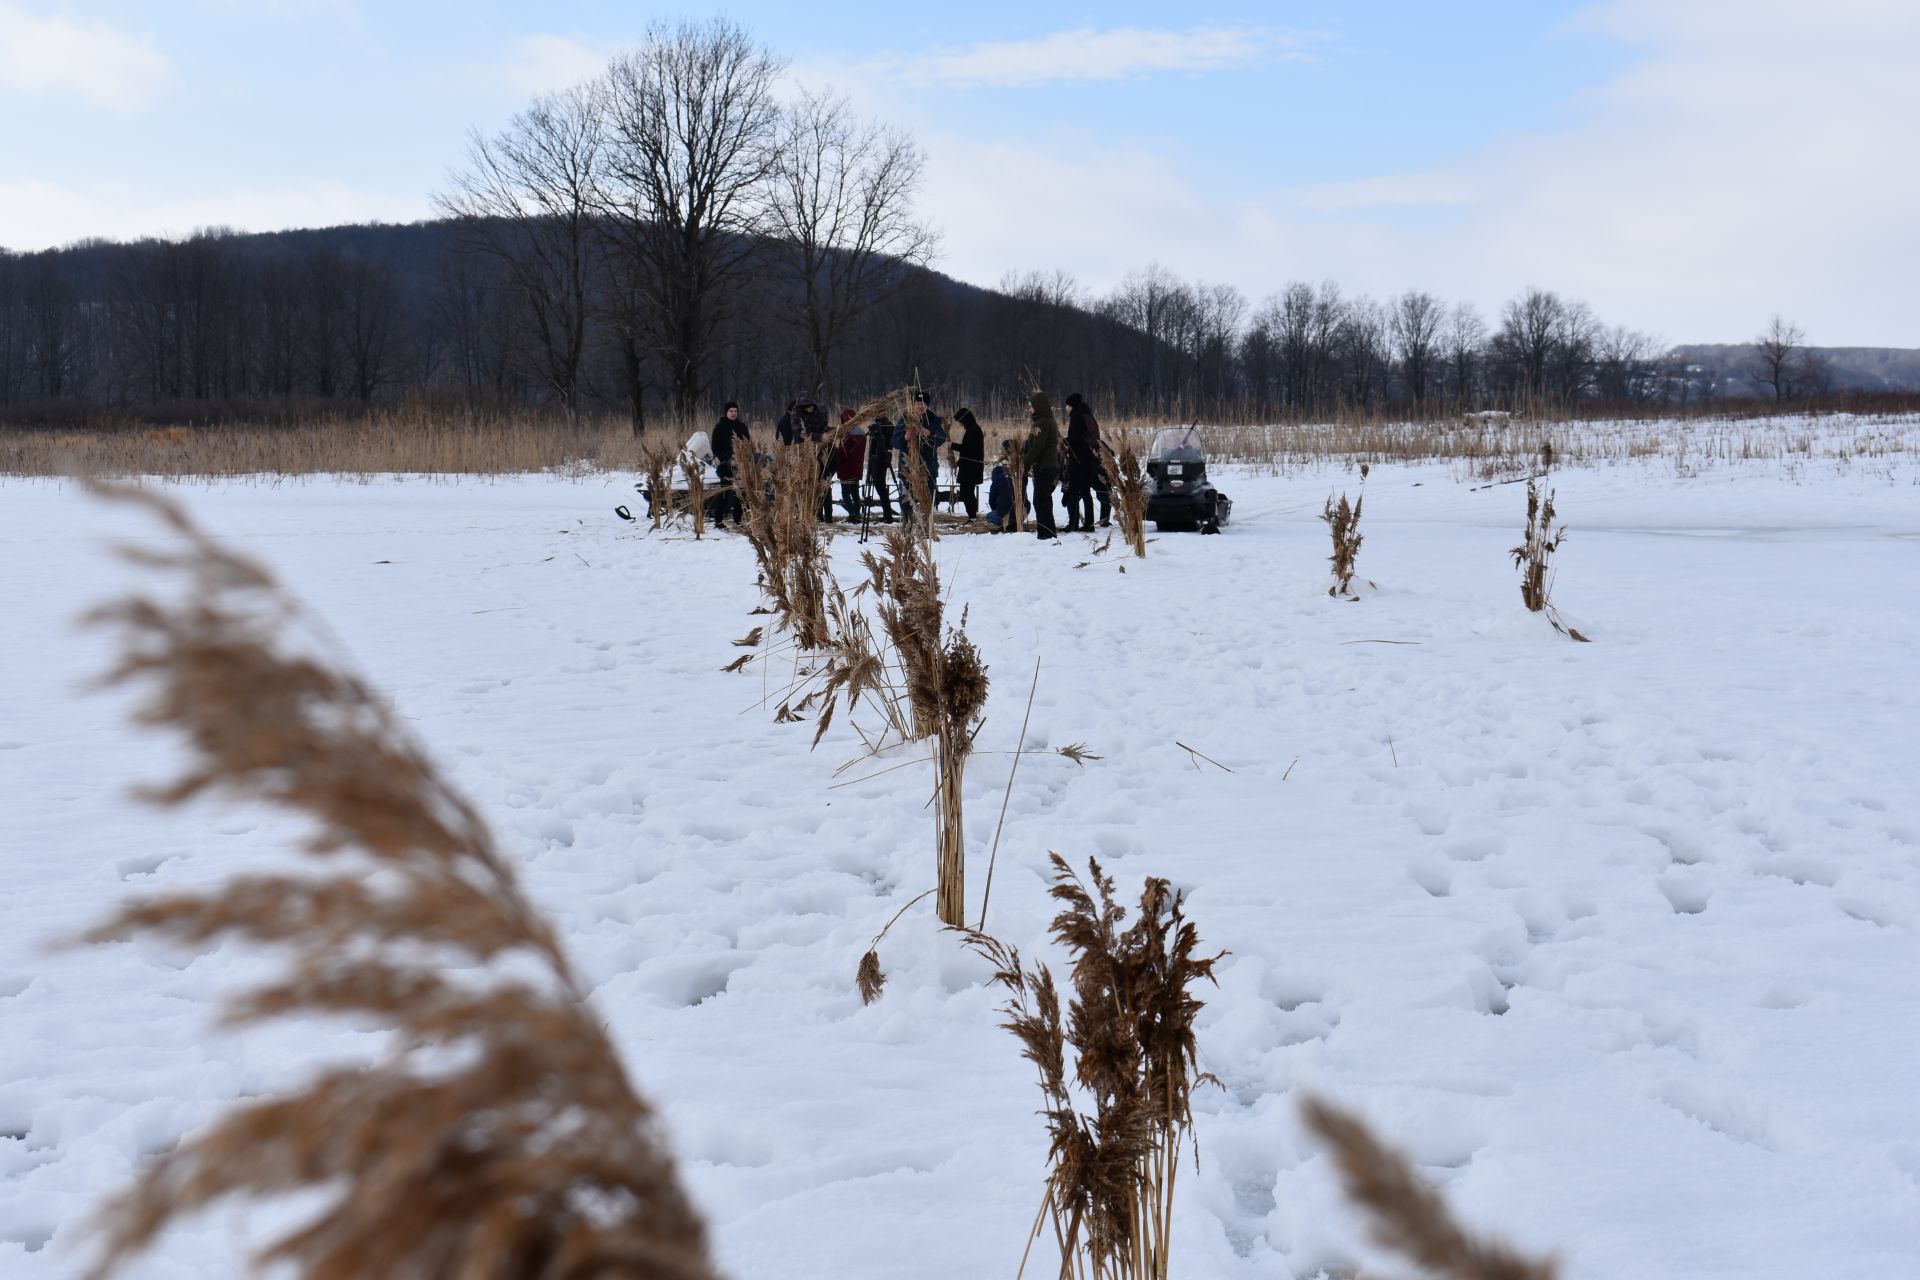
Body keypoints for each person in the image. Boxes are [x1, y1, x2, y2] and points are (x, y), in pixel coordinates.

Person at [892, 392, 947, 528]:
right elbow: (894, 441)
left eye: (923, 404)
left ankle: (928, 525)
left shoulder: (934, 420)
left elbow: (941, 438)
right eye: (918, 403)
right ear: (913, 404)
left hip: (928, 467)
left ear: (927, 406)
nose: (920, 406)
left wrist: (929, 434)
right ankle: (907, 524)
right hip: (908, 468)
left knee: (928, 497)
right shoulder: (905, 419)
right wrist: (905, 437)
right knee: (906, 498)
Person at [1023, 390, 1061, 539]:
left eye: (1031, 406)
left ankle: (1046, 534)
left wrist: (1023, 463)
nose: (1029, 409)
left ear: (1038, 407)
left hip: (1045, 468)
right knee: (1043, 501)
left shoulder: (1043, 422)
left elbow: (1037, 448)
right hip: (1047, 466)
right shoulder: (1046, 421)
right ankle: (1047, 533)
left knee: (1041, 502)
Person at [1062, 391, 1101, 532]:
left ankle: (1073, 524)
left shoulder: (1076, 417)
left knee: (1073, 493)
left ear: (1072, 406)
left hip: (1078, 461)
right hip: (1089, 460)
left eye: (1067, 405)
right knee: (1085, 492)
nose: (1066, 408)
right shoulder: (1088, 415)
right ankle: (1089, 524)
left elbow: (1073, 438)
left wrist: (1063, 441)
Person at [710, 401, 751, 527]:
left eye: (735, 411)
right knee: (725, 492)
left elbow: (747, 442)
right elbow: (715, 446)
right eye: (731, 411)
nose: (733, 413)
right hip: (726, 464)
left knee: (740, 492)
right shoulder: (719, 427)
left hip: (740, 462)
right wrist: (724, 457)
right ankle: (718, 520)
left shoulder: (741, 426)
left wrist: (745, 456)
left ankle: (738, 520)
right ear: (726, 412)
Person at [949, 406, 986, 519]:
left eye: (960, 421)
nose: (960, 424)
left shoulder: (973, 430)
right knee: (967, 492)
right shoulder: (972, 429)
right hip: (969, 467)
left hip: (971, 468)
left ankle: (972, 516)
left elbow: (968, 449)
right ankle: (972, 516)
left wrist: (952, 445)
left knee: (966, 493)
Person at [835, 414, 868, 522]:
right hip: (857, 468)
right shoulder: (862, 433)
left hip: (846, 469)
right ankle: (857, 514)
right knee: (855, 492)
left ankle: (852, 515)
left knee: (845, 493)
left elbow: (842, 454)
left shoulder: (847, 435)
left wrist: (835, 458)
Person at [865, 412, 896, 522]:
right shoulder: (881, 425)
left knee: (880, 485)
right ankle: (887, 514)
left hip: (882, 458)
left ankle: (887, 515)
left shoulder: (887, 426)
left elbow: (887, 442)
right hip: (876, 458)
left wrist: (879, 434)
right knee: (879, 485)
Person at [986, 439, 1016, 532]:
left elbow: (991, 500)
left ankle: (1004, 521)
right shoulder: (1015, 477)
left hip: (1006, 512)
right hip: (1022, 511)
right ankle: (1015, 519)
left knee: (989, 516)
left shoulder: (997, 481)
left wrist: (998, 510)